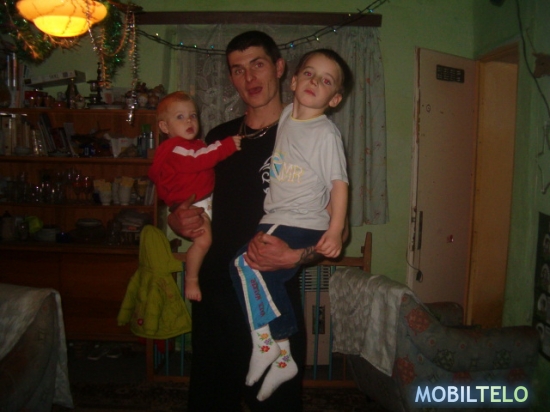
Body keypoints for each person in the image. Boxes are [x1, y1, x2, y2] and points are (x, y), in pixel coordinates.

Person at [168, 31, 332, 412]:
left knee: (275, 405)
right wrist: (178, 219)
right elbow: (194, 206)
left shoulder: (309, 136)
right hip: (214, 297)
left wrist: (294, 257)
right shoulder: (218, 138)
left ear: (279, 68)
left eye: (258, 64)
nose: (249, 78)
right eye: (238, 70)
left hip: (270, 299)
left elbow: (334, 231)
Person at [230, 48, 352, 402]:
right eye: (309, 74)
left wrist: (334, 230)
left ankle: (268, 343)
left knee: (243, 264)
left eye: (326, 81)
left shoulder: (325, 133)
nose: (315, 82)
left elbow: (339, 184)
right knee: (259, 275)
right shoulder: (286, 115)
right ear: (294, 81)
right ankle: (283, 358)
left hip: (299, 220)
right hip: (277, 217)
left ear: (335, 99)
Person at [148, 91, 241, 301]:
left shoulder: (189, 145)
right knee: (203, 241)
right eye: (180, 117)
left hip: (200, 201)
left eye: (193, 115)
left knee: (205, 240)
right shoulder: (176, 149)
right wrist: (226, 146)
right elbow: (200, 159)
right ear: (164, 127)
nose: (189, 121)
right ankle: (191, 279)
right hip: (193, 204)